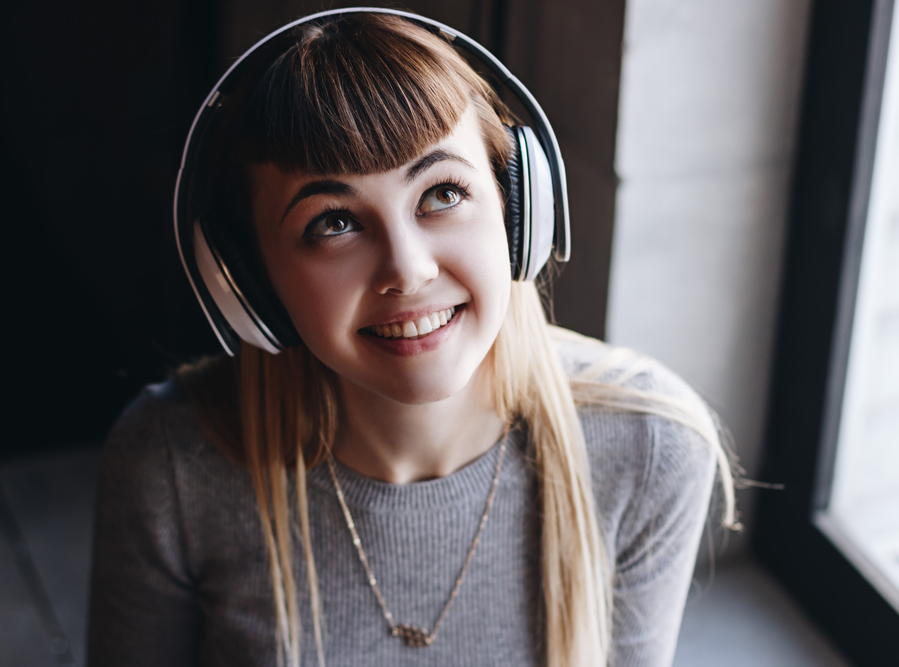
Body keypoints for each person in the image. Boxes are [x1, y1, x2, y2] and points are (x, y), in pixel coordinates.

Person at [87, 9, 736, 667]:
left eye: (443, 192)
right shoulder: (169, 466)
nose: (407, 270)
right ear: (250, 282)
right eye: (334, 221)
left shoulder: (652, 445)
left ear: (518, 210)